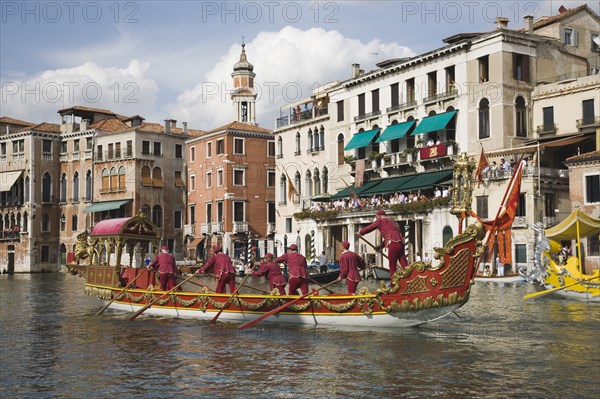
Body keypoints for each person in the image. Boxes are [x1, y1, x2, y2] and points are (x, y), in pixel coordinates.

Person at [358, 210, 408, 279]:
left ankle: (393, 285)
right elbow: (389, 236)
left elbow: (371, 227)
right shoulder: (392, 223)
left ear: (379, 216)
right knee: (404, 264)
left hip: (393, 244)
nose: (376, 218)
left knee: (392, 266)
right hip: (401, 243)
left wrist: (360, 232)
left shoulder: (380, 221)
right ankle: (411, 279)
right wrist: (380, 247)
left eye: (376, 217)